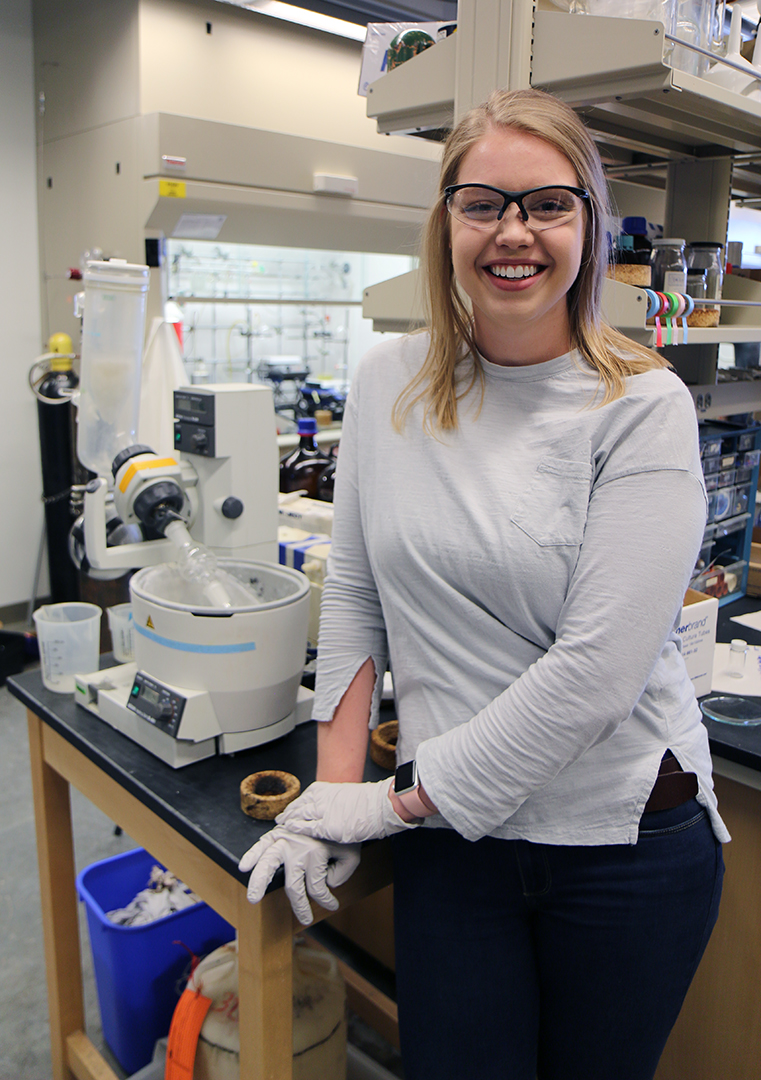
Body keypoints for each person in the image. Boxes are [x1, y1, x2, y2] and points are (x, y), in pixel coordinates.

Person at [239, 87, 727, 1080]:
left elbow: (593, 675)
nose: (514, 233)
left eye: (546, 204)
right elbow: (356, 597)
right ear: (446, 223)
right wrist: (336, 792)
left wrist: (385, 809)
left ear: (587, 223)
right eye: (482, 204)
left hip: (622, 841)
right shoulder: (387, 381)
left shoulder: (640, 409)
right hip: (457, 840)